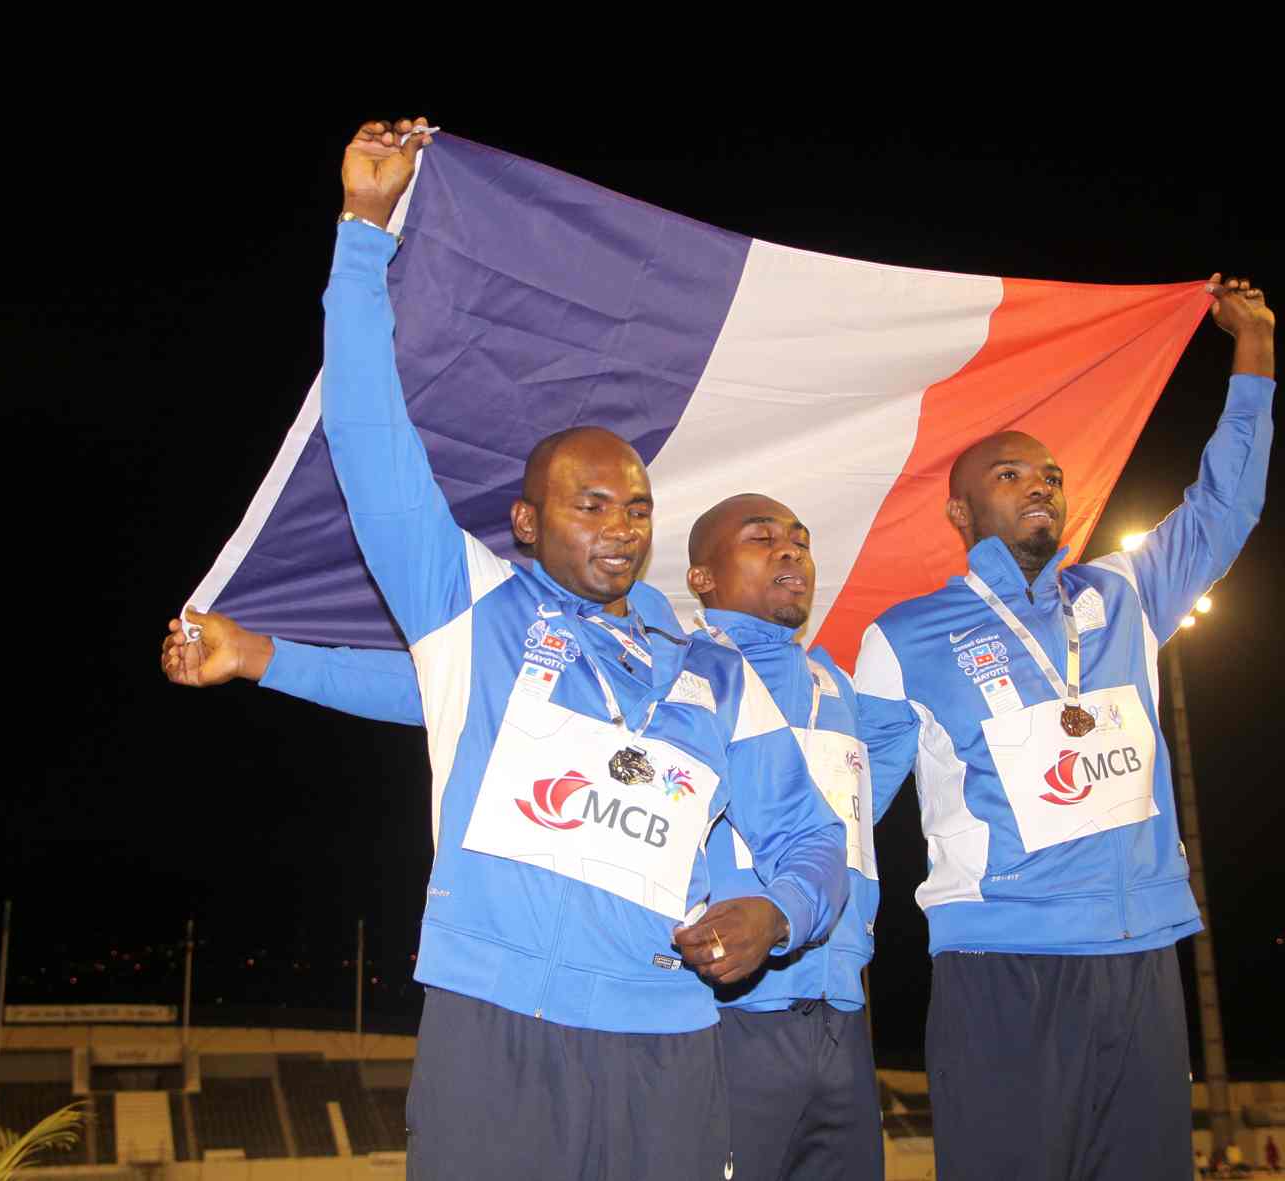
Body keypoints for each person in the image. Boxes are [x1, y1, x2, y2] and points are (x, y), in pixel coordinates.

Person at [164, 117, 848, 1181]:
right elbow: (370, 435)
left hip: (668, 1035)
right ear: (525, 523)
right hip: (493, 1025)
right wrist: (362, 233)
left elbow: (807, 831)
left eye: (638, 505)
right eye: (590, 503)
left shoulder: (711, 670)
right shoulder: (471, 609)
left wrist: (777, 910)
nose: (622, 523)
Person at [854, 274, 1276, 1181]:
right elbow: (848, 808)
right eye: (1010, 475)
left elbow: (1225, 506)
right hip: (1003, 960)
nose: (1040, 484)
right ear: (961, 513)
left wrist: (1254, 348)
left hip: (1141, 954)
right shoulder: (902, 638)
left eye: (1049, 474)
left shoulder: (1121, 591)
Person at [686, 494, 883, 1181]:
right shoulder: (680, 672)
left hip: (842, 1013)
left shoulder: (839, 686)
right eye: (761, 536)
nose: (791, 549)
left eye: (800, 538)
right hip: (725, 1012)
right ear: (701, 578)